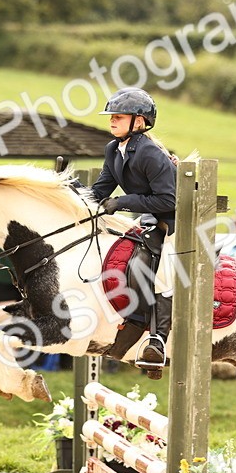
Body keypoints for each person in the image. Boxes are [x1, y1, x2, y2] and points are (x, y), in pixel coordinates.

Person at [91, 87, 177, 379]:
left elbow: (168, 200)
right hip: (151, 222)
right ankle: (134, 321)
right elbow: (99, 191)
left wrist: (123, 202)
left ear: (138, 121)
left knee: (163, 272)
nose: (112, 121)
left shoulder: (150, 153)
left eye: (118, 116)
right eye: (111, 117)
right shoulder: (113, 150)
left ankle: (157, 340)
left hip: (178, 223)